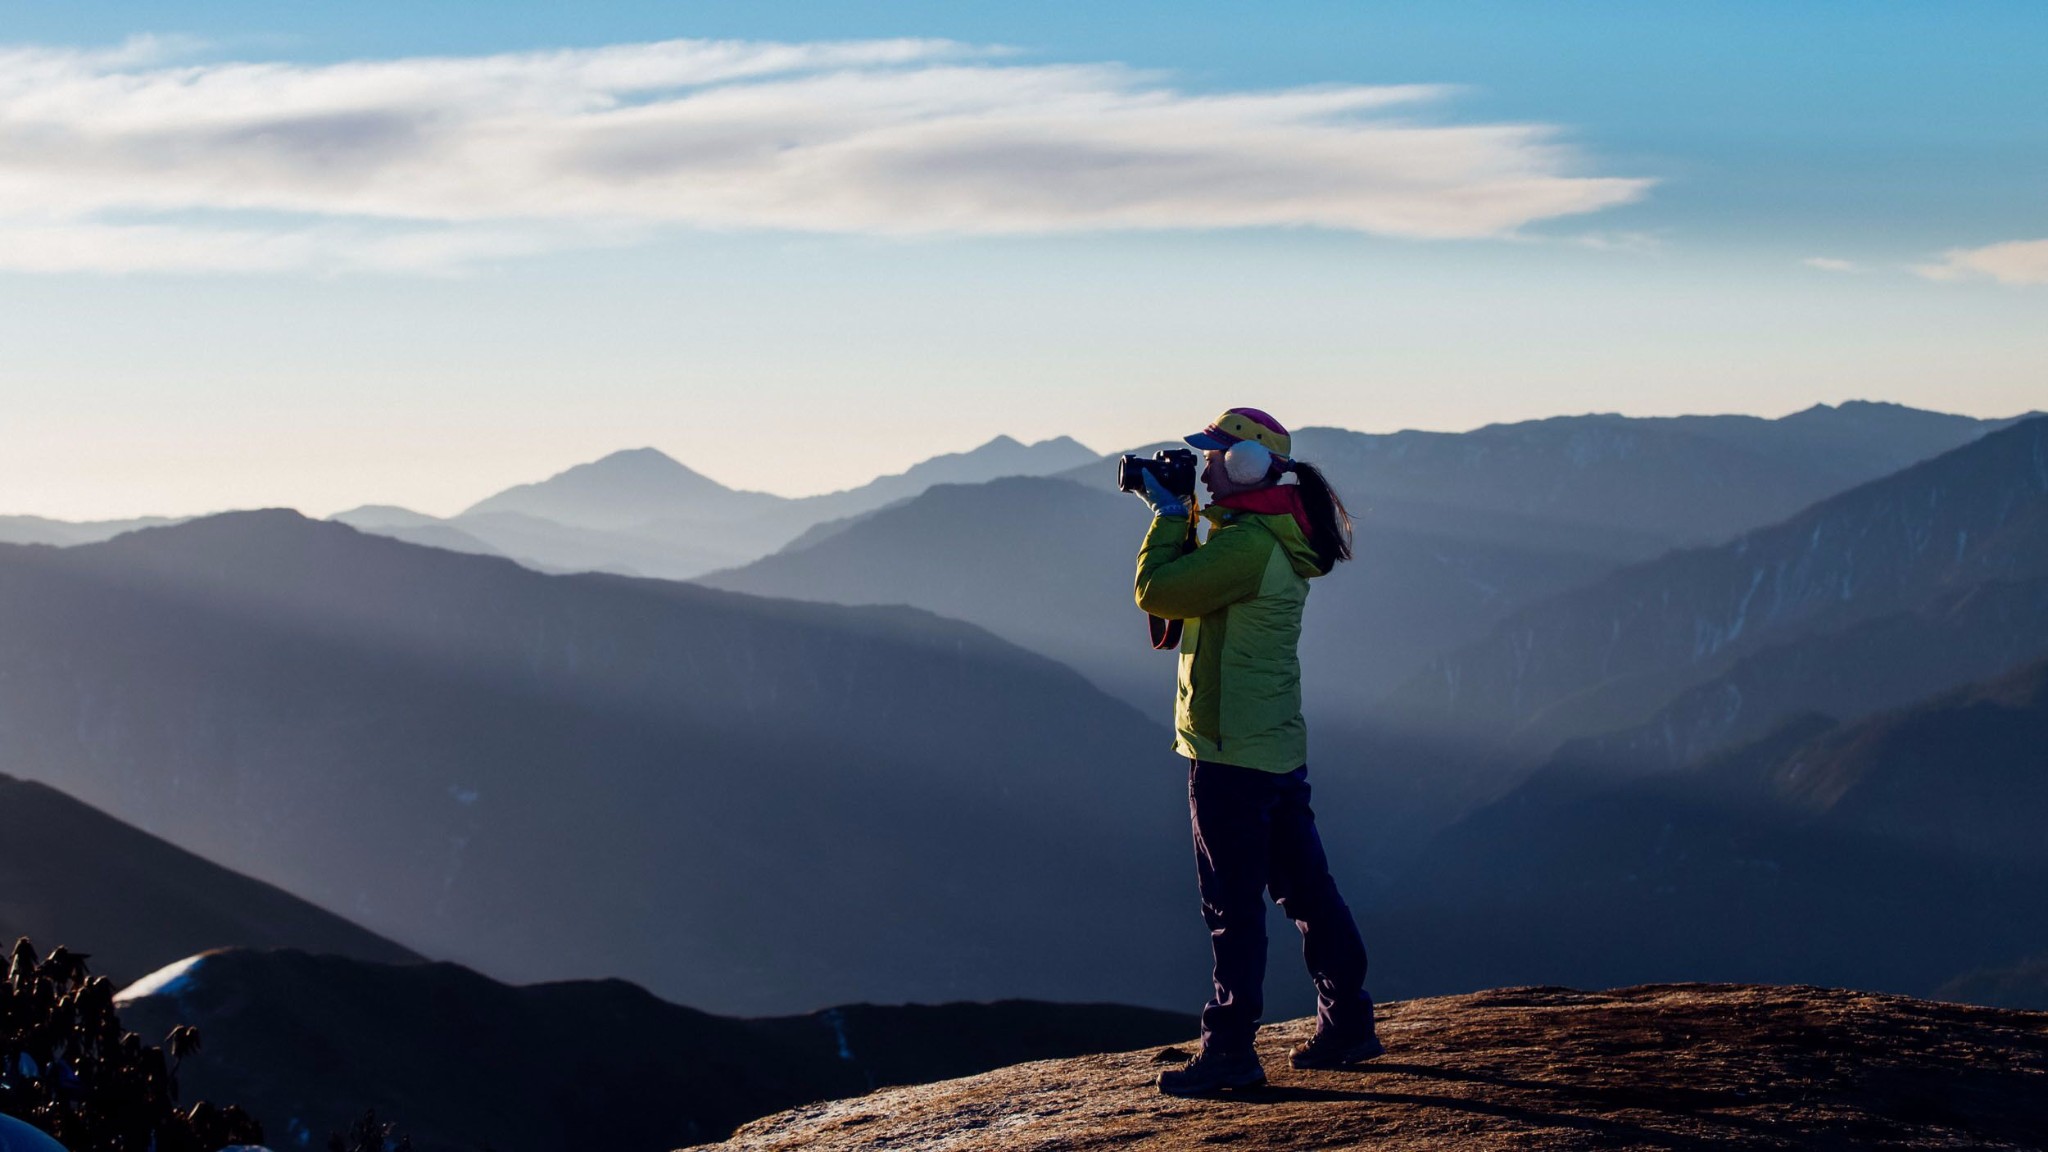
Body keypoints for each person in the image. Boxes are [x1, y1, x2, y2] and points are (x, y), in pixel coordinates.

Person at [1130, 407, 1383, 1096]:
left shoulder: (1246, 548)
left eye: (1216, 455)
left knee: (1231, 907)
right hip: (1270, 746)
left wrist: (1165, 516)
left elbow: (1157, 592)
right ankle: (1349, 1023)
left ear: (1247, 464)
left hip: (1229, 752)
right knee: (1307, 892)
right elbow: (1185, 605)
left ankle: (1231, 1053)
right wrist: (1185, 514)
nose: (1206, 465)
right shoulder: (1267, 534)